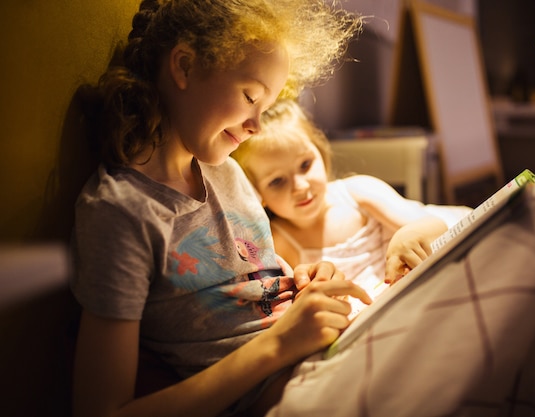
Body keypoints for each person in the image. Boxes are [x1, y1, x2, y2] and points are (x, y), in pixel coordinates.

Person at [69, 1, 370, 417]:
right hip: (288, 392)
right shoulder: (120, 212)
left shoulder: (225, 171)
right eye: (250, 97)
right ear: (185, 67)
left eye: (265, 107)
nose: (256, 126)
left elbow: (252, 278)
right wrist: (281, 343)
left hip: (324, 354)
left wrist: (305, 280)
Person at [231, 99, 470, 302]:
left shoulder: (356, 191)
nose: (301, 186)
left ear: (321, 153)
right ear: (256, 194)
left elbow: (435, 225)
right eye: (277, 181)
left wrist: (408, 234)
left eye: (305, 165)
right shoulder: (279, 241)